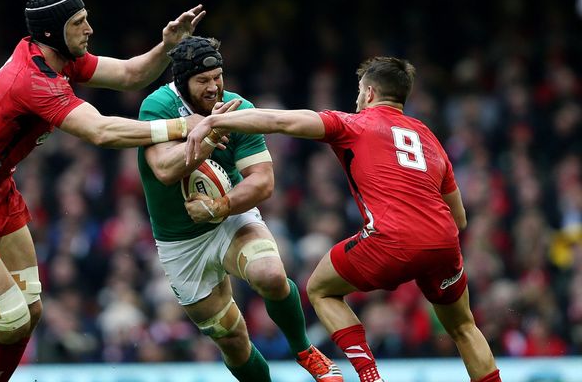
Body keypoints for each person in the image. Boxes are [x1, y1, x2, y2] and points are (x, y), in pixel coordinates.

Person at [0, 0, 209, 382]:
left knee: (30, 311)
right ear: (52, 33)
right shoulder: (33, 80)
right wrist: (180, 127)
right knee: (11, 322)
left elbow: (130, 74)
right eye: (78, 23)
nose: (89, 28)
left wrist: (166, 48)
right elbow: (100, 131)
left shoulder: (54, 56)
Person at [186, 56, 502, 382]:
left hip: (391, 240)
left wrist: (218, 121)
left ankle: (369, 377)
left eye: (358, 92)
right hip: (443, 242)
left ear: (368, 93)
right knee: (464, 326)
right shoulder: (429, 139)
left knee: (320, 288)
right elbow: (460, 218)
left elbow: (283, 122)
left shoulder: (354, 124)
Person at [136, 36, 342, 382]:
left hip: (228, 219)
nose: (214, 87)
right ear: (181, 81)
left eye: (218, 76)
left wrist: (220, 206)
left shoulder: (238, 108)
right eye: (203, 80)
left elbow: (263, 181)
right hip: (180, 243)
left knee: (271, 275)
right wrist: (210, 138)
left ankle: (305, 350)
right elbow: (166, 169)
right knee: (232, 340)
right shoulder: (158, 107)